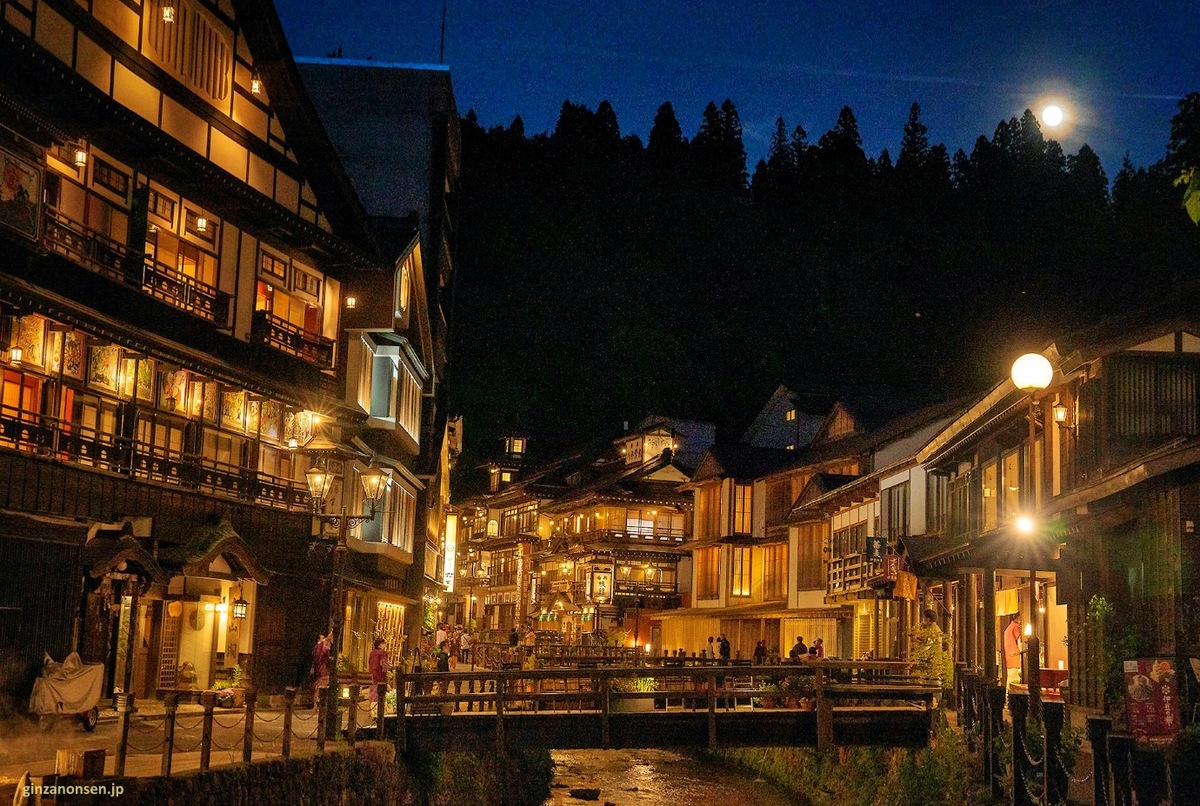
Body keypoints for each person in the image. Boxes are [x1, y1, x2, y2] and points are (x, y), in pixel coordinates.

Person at [310, 632, 332, 712]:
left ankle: (315, 706)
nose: (324, 639)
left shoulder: (316, 648)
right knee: (322, 687)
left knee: (317, 687)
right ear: (318, 640)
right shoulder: (320, 647)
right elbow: (328, 639)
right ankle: (322, 706)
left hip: (318, 670)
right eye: (322, 638)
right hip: (323, 670)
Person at [1004, 613, 1023, 688]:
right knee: (1016, 681)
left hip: (1009, 657)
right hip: (1015, 657)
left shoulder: (1009, 628)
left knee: (1010, 680)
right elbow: (1019, 642)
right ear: (1018, 618)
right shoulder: (1015, 626)